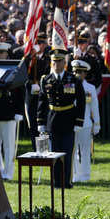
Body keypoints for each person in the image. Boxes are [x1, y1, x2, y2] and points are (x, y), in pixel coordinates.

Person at [37, 49, 85, 188]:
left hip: (69, 119)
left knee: (67, 153)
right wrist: (41, 122)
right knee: (54, 154)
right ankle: (56, 181)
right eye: (54, 61)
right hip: (52, 121)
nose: (56, 64)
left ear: (64, 63)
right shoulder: (46, 80)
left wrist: (78, 121)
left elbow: (81, 102)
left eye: (59, 61)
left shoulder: (73, 79)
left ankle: (66, 181)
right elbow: (42, 102)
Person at [0, 42, 24, 181]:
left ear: (7, 54)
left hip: (9, 112)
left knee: (9, 146)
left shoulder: (14, 70)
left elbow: (20, 91)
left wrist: (19, 111)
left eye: (1, 52)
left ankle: (8, 173)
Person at [71, 60, 100, 183]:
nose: (77, 74)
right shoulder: (69, 86)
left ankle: (85, 175)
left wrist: (97, 124)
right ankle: (75, 174)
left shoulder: (90, 88)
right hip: (71, 123)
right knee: (72, 150)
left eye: (80, 72)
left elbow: (95, 107)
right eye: (75, 71)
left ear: (85, 74)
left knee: (85, 150)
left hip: (86, 123)